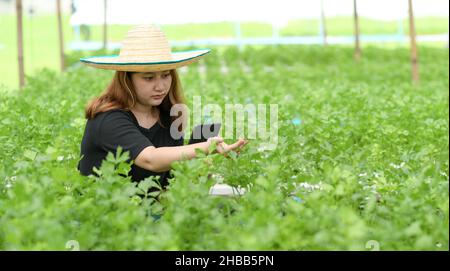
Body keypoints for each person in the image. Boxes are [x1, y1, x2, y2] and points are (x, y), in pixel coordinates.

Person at [77, 25, 247, 187]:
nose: (160, 86)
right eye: (149, 78)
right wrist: (206, 147)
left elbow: (169, 181)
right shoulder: (108, 118)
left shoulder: (169, 116)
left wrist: (201, 167)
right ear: (126, 80)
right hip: (107, 212)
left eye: (166, 75)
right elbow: (150, 159)